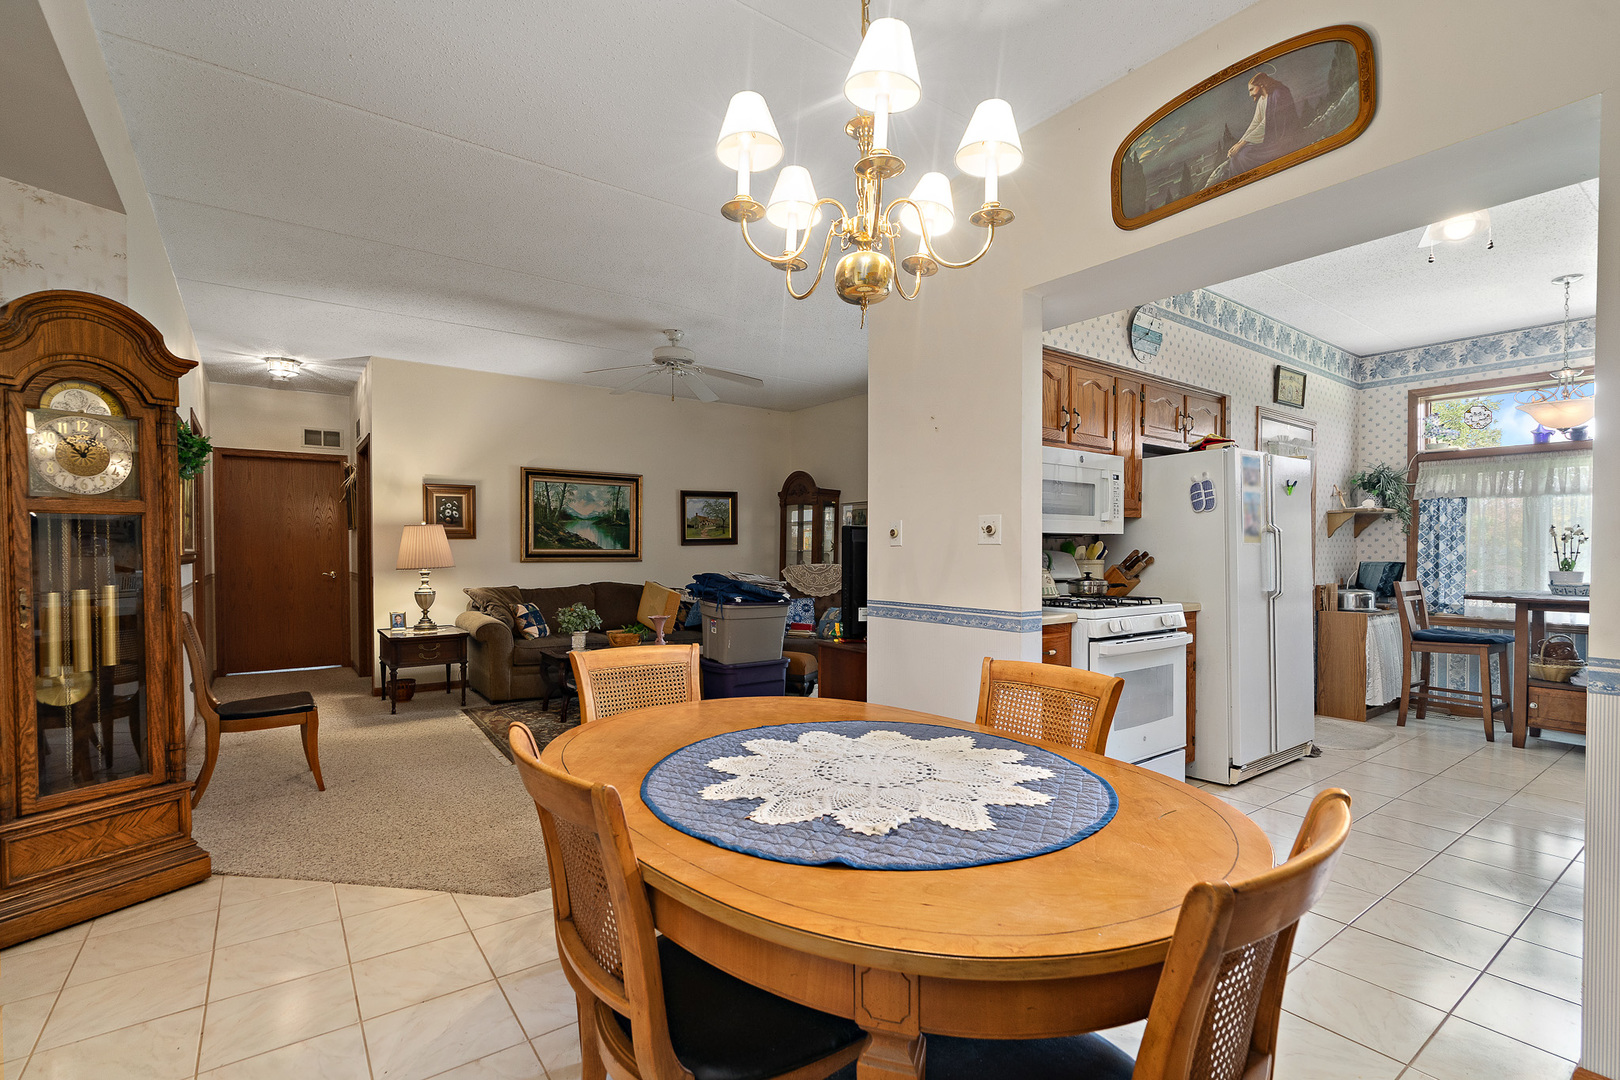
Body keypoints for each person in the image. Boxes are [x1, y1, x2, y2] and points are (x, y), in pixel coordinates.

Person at [1203, 70, 1301, 189]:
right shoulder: (1262, 100)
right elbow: (1255, 123)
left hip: (1283, 138)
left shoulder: (1279, 94)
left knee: (1244, 155)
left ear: (1261, 85)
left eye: (1251, 89)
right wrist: (1239, 143)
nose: (1250, 94)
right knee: (1238, 156)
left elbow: (1266, 123)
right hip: (1269, 138)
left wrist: (1242, 144)